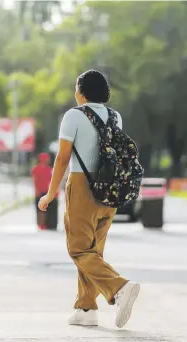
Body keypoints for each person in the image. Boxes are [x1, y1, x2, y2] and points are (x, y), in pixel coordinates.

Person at [38, 70, 140, 328]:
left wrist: (50, 193)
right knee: (94, 249)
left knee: (79, 249)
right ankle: (86, 309)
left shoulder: (74, 115)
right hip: (110, 188)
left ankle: (120, 287)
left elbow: (62, 158)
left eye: (76, 88)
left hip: (83, 184)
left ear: (81, 92)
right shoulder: (115, 116)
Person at [31, 152, 58, 230]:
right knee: (41, 209)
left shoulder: (48, 169)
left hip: (45, 192)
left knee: (43, 209)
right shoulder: (39, 169)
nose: (48, 160)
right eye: (47, 158)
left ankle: (44, 224)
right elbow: (34, 180)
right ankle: (41, 224)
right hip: (41, 192)